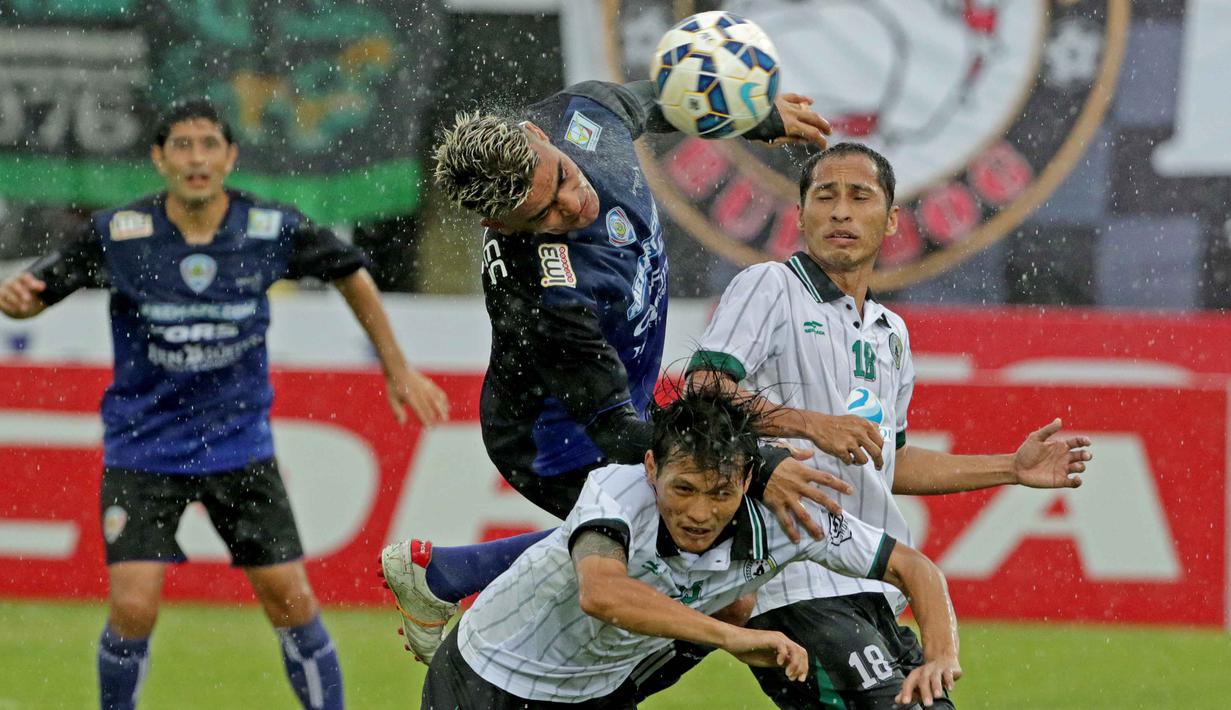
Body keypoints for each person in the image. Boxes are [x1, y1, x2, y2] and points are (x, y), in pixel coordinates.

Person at [379, 78, 850, 669]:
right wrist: (753, 462)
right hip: (557, 442)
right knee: (700, 577)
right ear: (500, 228)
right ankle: (469, 604)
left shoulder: (582, 117)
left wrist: (746, 115)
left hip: (626, 399)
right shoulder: (546, 300)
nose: (572, 205)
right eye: (544, 215)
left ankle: (444, 574)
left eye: (562, 179)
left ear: (537, 135)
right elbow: (619, 435)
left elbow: (656, 99)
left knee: (705, 579)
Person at [0, 99, 449, 710]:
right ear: (159, 158)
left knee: (290, 601)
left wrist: (397, 369)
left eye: (208, 144)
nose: (196, 158)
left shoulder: (268, 227)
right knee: (133, 606)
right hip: (145, 449)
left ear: (229, 156)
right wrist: (19, 302)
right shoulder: (120, 234)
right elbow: (34, 293)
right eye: (181, 146)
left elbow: (351, 271)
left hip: (239, 447)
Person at [686, 142, 1094, 708]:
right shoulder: (770, 287)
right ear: (800, 215)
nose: (842, 212)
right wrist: (812, 425)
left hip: (873, 587)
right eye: (824, 197)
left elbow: (890, 463)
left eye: (861, 197)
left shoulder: (890, 333)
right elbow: (703, 387)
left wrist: (1011, 468)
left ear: (892, 219)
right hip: (794, 582)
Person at [421, 388, 961, 709]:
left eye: (721, 492)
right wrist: (729, 637)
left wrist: (939, 657)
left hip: (594, 695)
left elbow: (913, 567)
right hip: (486, 676)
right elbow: (602, 593)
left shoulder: (792, 515)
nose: (700, 513)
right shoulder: (615, 488)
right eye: (683, 489)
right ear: (652, 468)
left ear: (749, 478)